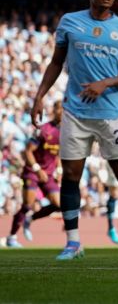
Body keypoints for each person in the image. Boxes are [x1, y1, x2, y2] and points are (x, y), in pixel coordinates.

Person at [29, 0, 118, 261]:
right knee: (71, 176)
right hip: (75, 112)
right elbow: (55, 62)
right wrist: (39, 96)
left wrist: (105, 84)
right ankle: (73, 243)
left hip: (110, 114)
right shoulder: (70, 22)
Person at [7, 101, 63, 248]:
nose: (61, 112)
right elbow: (28, 151)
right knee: (27, 205)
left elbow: (57, 154)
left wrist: (59, 170)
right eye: (59, 109)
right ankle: (12, 237)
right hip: (32, 172)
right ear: (55, 111)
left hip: (49, 174)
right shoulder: (43, 130)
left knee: (60, 205)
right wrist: (38, 169)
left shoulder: (66, 132)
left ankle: (30, 220)